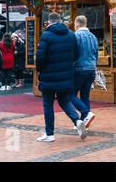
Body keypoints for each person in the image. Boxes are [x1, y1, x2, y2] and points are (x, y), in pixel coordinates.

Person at [36, 13, 86, 142]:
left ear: (49, 22)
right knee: (64, 101)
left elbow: (40, 58)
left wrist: (39, 71)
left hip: (48, 76)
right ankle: (77, 120)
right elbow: (76, 54)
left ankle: (50, 134)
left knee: (48, 104)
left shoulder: (46, 35)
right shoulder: (71, 35)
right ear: (60, 21)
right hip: (66, 75)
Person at [71, 15, 98, 129]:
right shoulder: (93, 37)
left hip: (79, 68)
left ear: (76, 24)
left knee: (69, 94)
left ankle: (86, 113)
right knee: (85, 96)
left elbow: (73, 53)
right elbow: (96, 54)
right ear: (86, 23)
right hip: (91, 69)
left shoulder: (76, 36)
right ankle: (84, 122)